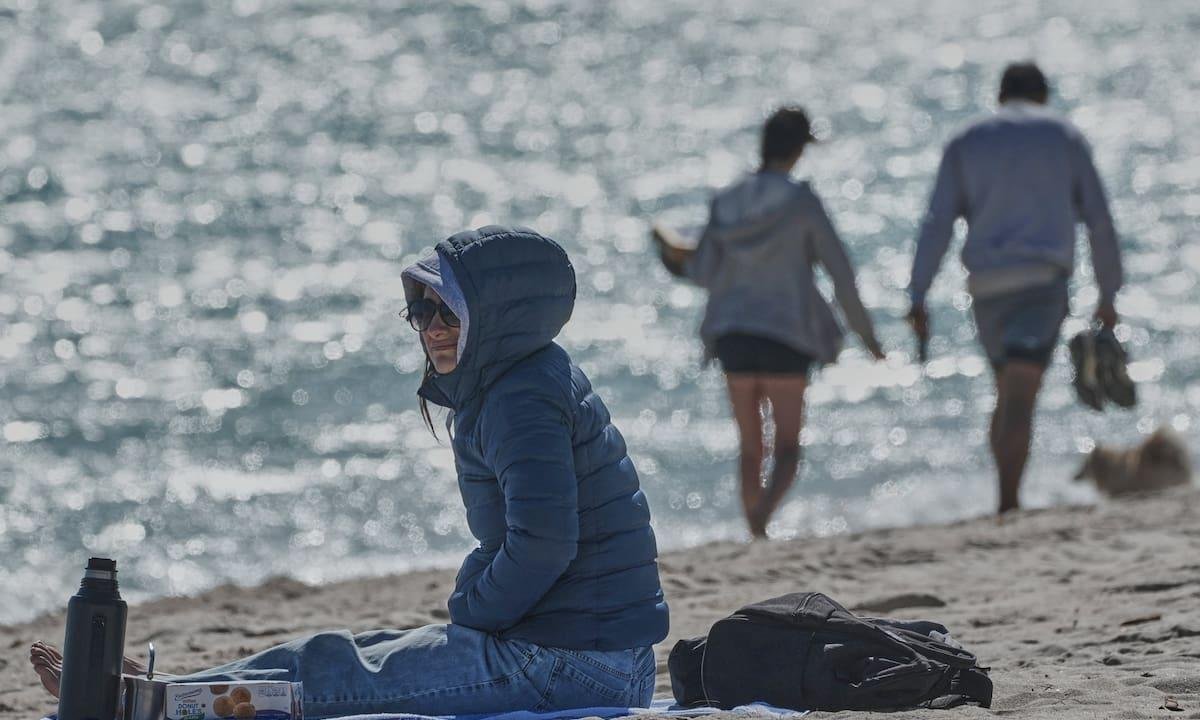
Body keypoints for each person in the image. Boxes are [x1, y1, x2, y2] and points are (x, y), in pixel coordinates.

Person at [31, 227, 670, 718]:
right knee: (337, 654)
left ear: (497, 317)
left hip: (573, 666)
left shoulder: (519, 400)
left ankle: (145, 705)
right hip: (579, 651)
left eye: (449, 313)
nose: (432, 330)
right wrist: (475, 604)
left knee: (340, 678)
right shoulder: (521, 379)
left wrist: (471, 610)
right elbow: (535, 539)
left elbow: (544, 544)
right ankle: (160, 691)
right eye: (422, 311)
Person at [906, 62, 1123, 514]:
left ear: (1000, 95)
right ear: (1043, 95)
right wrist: (1108, 294)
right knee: (1021, 395)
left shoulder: (966, 140)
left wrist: (918, 294)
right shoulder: (1063, 135)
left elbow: (937, 223)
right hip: (1041, 282)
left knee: (1006, 389)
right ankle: (1008, 502)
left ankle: (1004, 495)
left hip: (985, 288)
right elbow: (1099, 221)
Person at [658, 107, 885, 538]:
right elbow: (840, 274)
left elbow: (703, 273)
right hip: (786, 333)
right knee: (787, 448)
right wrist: (867, 337)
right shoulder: (801, 202)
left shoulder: (726, 200)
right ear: (799, 150)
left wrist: (671, 255)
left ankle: (754, 530)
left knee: (750, 448)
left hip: (732, 333)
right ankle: (761, 521)